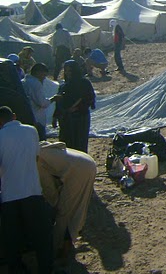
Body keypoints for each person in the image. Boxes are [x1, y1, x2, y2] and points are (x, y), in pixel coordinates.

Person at [0, 106, 55, 274]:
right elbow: (36, 157)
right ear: (14, 116)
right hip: (32, 190)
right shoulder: (31, 131)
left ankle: (16, 268)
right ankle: (45, 269)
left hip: (10, 194)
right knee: (41, 237)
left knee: (12, 238)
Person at [37, 141, 96, 268]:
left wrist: (53, 203)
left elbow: (49, 190)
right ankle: (68, 241)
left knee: (64, 213)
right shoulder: (39, 147)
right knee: (77, 209)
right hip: (86, 161)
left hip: (79, 170)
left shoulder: (36, 160)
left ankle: (56, 249)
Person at [53, 60, 96, 153]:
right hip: (66, 119)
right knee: (67, 143)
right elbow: (59, 102)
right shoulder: (63, 86)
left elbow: (89, 98)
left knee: (79, 143)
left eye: (70, 71)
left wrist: (78, 107)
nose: (68, 73)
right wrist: (56, 116)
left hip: (80, 118)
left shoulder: (84, 83)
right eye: (66, 71)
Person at [22, 63, 57, 130]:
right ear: (38, 72)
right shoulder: (36, 84)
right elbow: (42, 103)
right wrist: (53, 99)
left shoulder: (23, 82)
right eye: (43, 75)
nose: (44, 78)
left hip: (25, 116)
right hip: (36, 118)